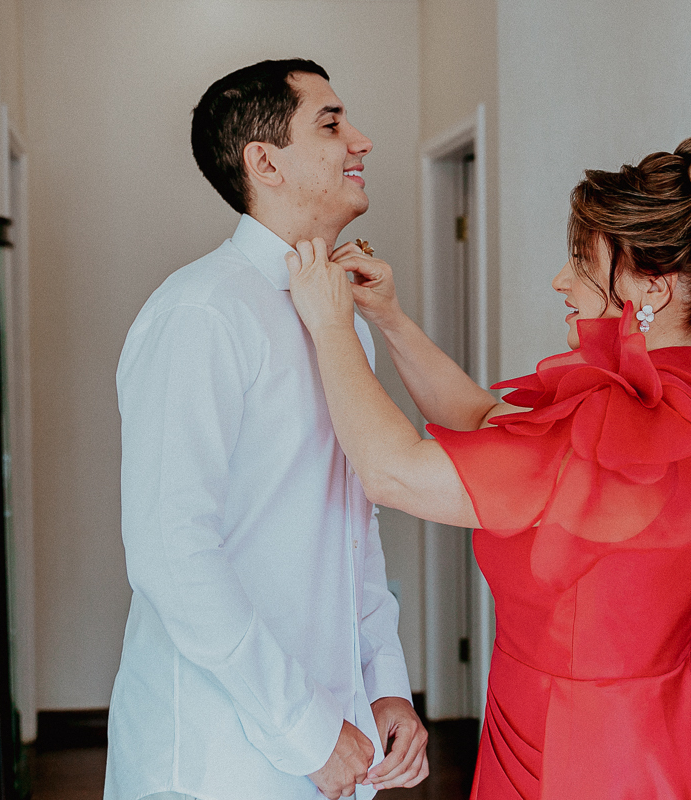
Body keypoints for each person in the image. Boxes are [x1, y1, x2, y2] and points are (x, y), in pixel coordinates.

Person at [285, 135, 691, 798]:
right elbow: (482, 421)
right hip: (655, 724)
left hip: (582, 748)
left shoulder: (598, 431)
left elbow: (394, 472)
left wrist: (330, 326)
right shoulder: (680, 415)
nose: (561, 280)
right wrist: (391, 320)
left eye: (582, 261)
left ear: (651, 288)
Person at [106, 59, 427, 800]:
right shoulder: (201, 314)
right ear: (264, 162)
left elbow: (355, 523)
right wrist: (305, 731)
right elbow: (171, 552)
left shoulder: (339, 320)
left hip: (338, 734)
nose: (363, 140)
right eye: (332, 122)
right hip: (219, 758)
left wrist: (384, 683)